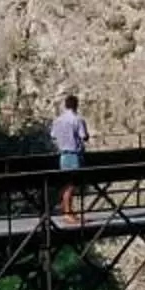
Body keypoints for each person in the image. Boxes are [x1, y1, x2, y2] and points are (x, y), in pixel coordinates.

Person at [49, 90, 90, 221]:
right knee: (71, 185)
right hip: (73, 154)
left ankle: (65, 208)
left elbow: (53, 136)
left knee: (66, 183)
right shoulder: (77, 119)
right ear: (76, 105)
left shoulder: (58, 120)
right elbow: (84, 136)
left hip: (63, 155)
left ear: (66, 105)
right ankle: (67, 212)